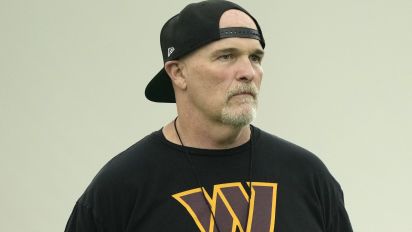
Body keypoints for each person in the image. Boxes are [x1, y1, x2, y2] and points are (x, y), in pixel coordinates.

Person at [64, 0, 353, 231]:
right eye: (226, 56)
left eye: (255, 57)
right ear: (178, 73)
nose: (248, 72)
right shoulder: (123, 187)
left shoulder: (307, 177)